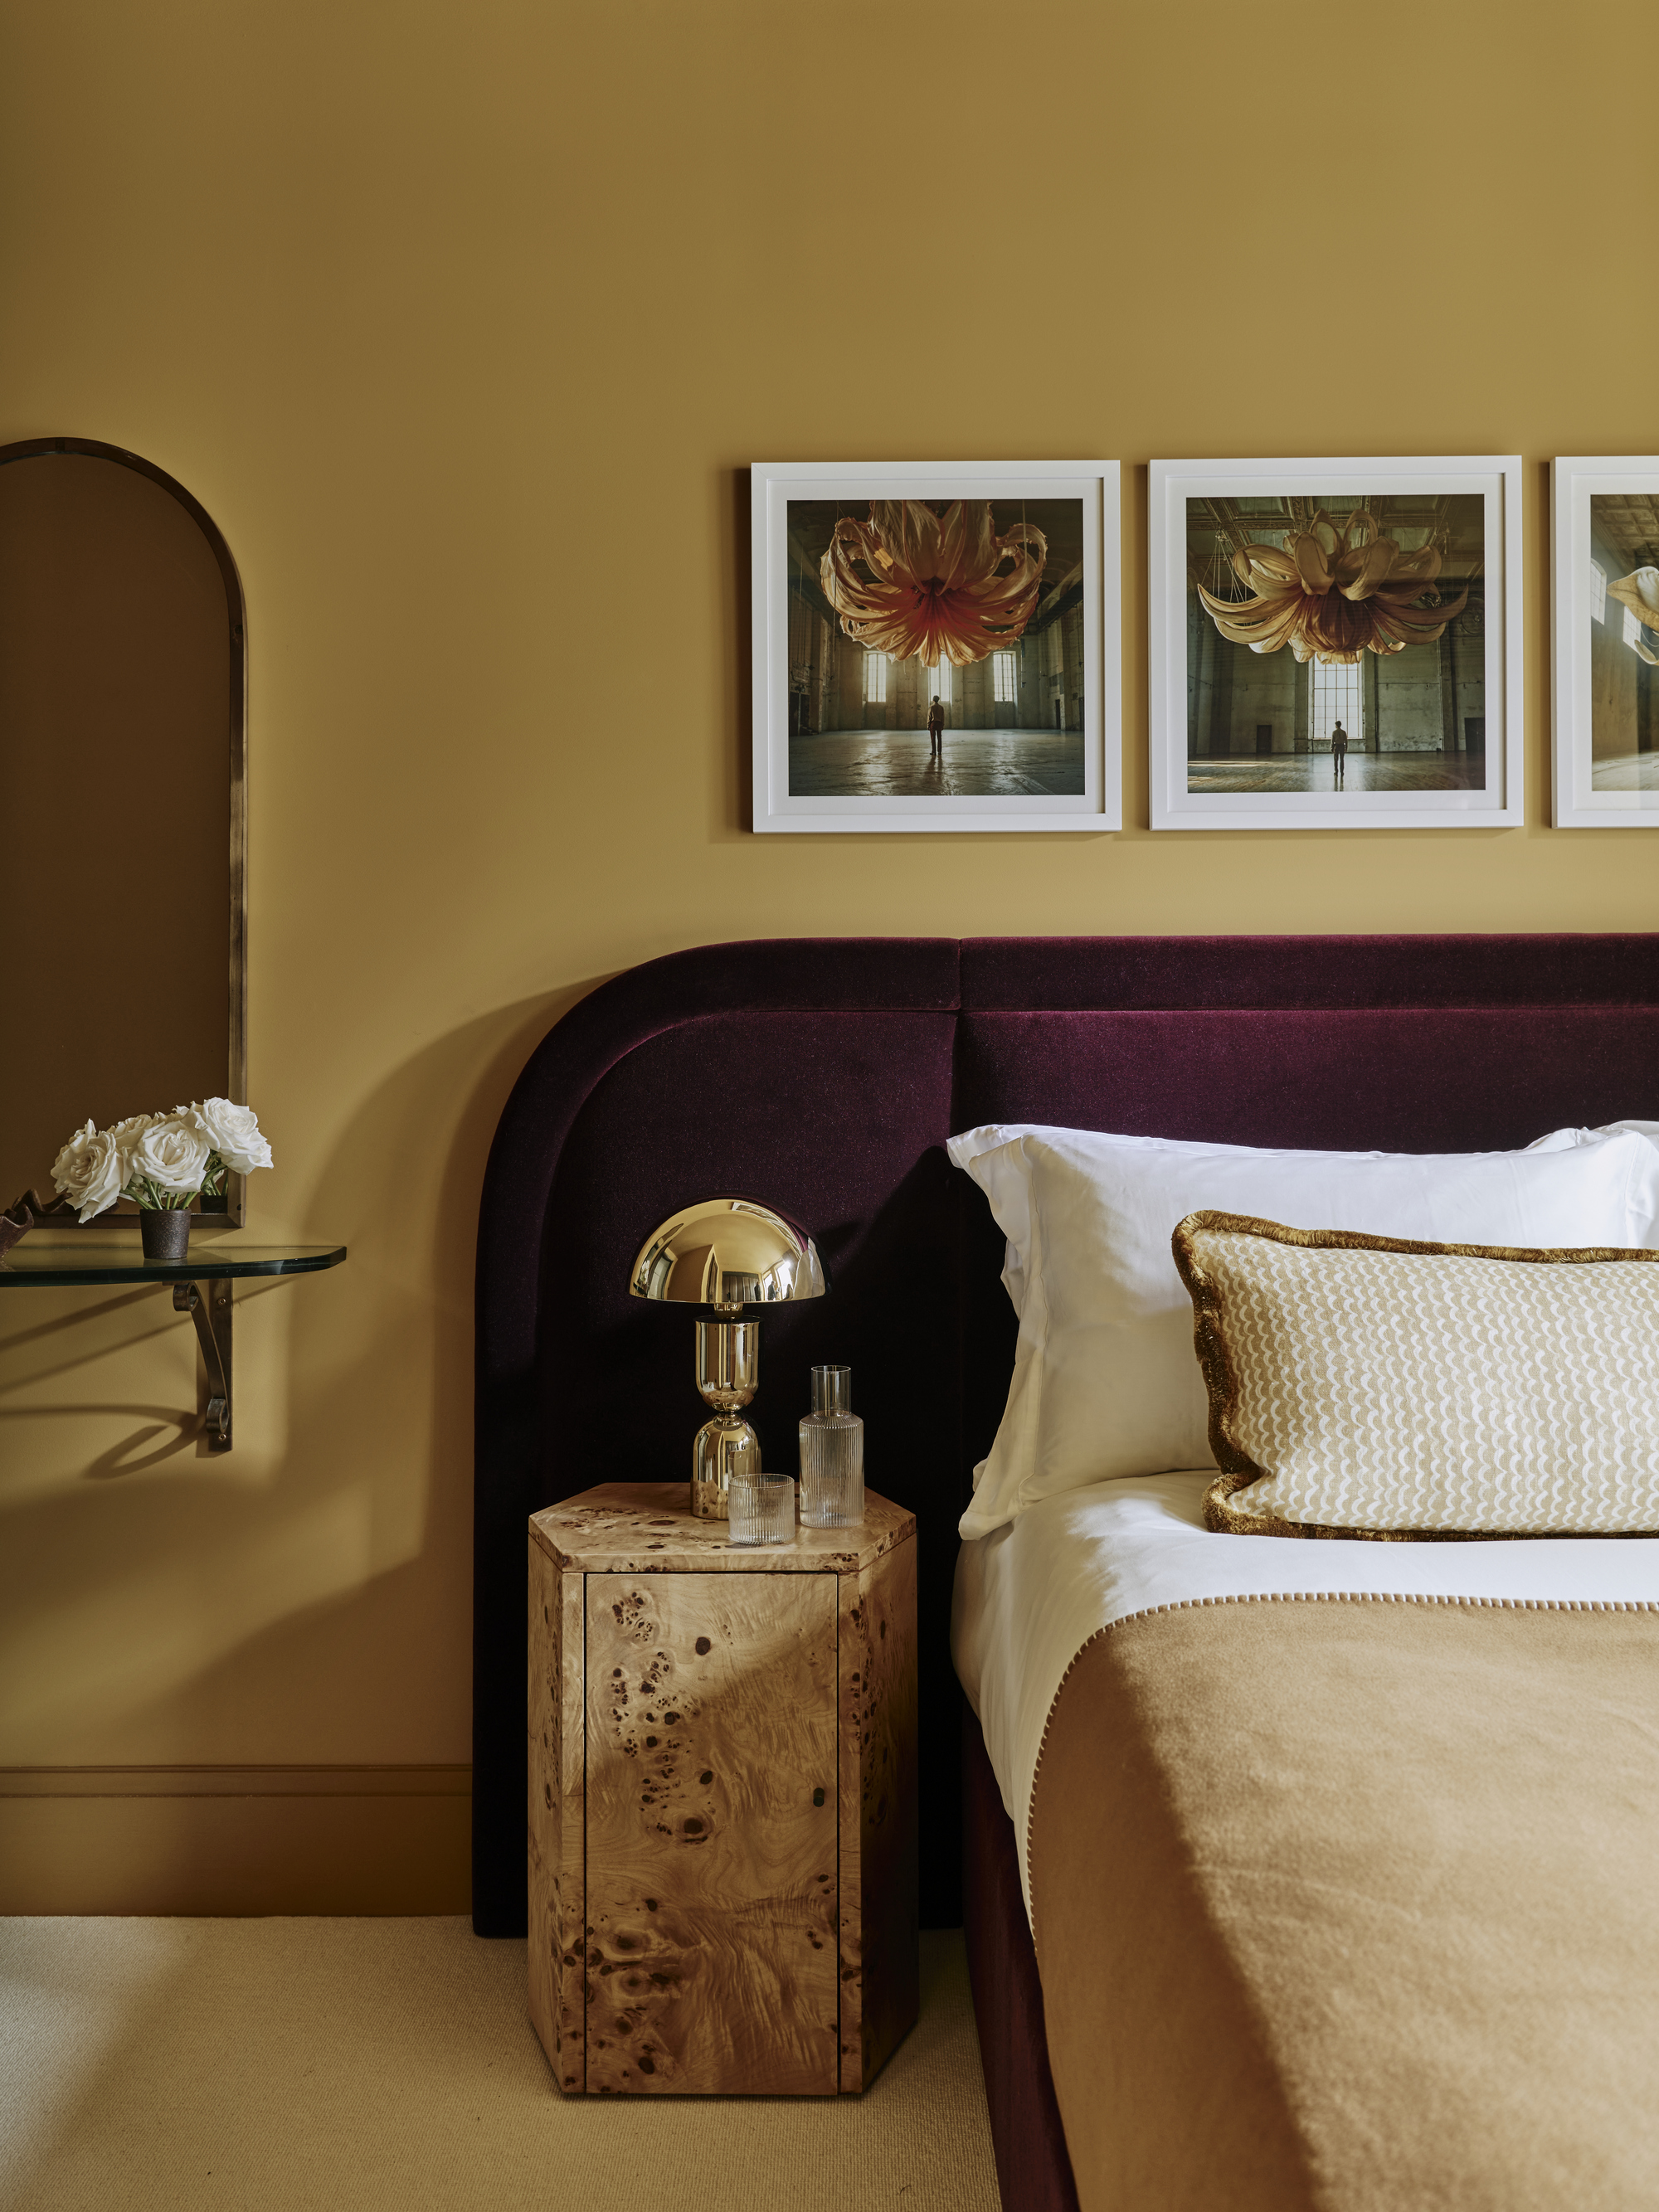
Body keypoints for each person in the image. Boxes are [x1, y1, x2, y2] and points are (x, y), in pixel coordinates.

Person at [1331, 717, 1350, 786]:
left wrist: (1332, 748)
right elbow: (1346, 741)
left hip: (1336, 746)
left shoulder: (1334, 732)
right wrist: (1346, 747)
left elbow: (1332, 741)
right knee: (1342, 759)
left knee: (1336, 760)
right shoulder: (1344, 732)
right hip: (1342, 746)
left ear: (1336, 726)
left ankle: (1336, 772)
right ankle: (1342, 772)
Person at [927, 693, 945, 758]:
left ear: (933, 700)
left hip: (933, 723)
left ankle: (934, 751)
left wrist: (928, 725)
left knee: (933, 738)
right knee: (939, 737)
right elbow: (943, 717)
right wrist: (942, 724)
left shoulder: (931, 707)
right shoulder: (941, 707)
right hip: (939, 723)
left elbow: (929, 717)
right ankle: (939, 751)